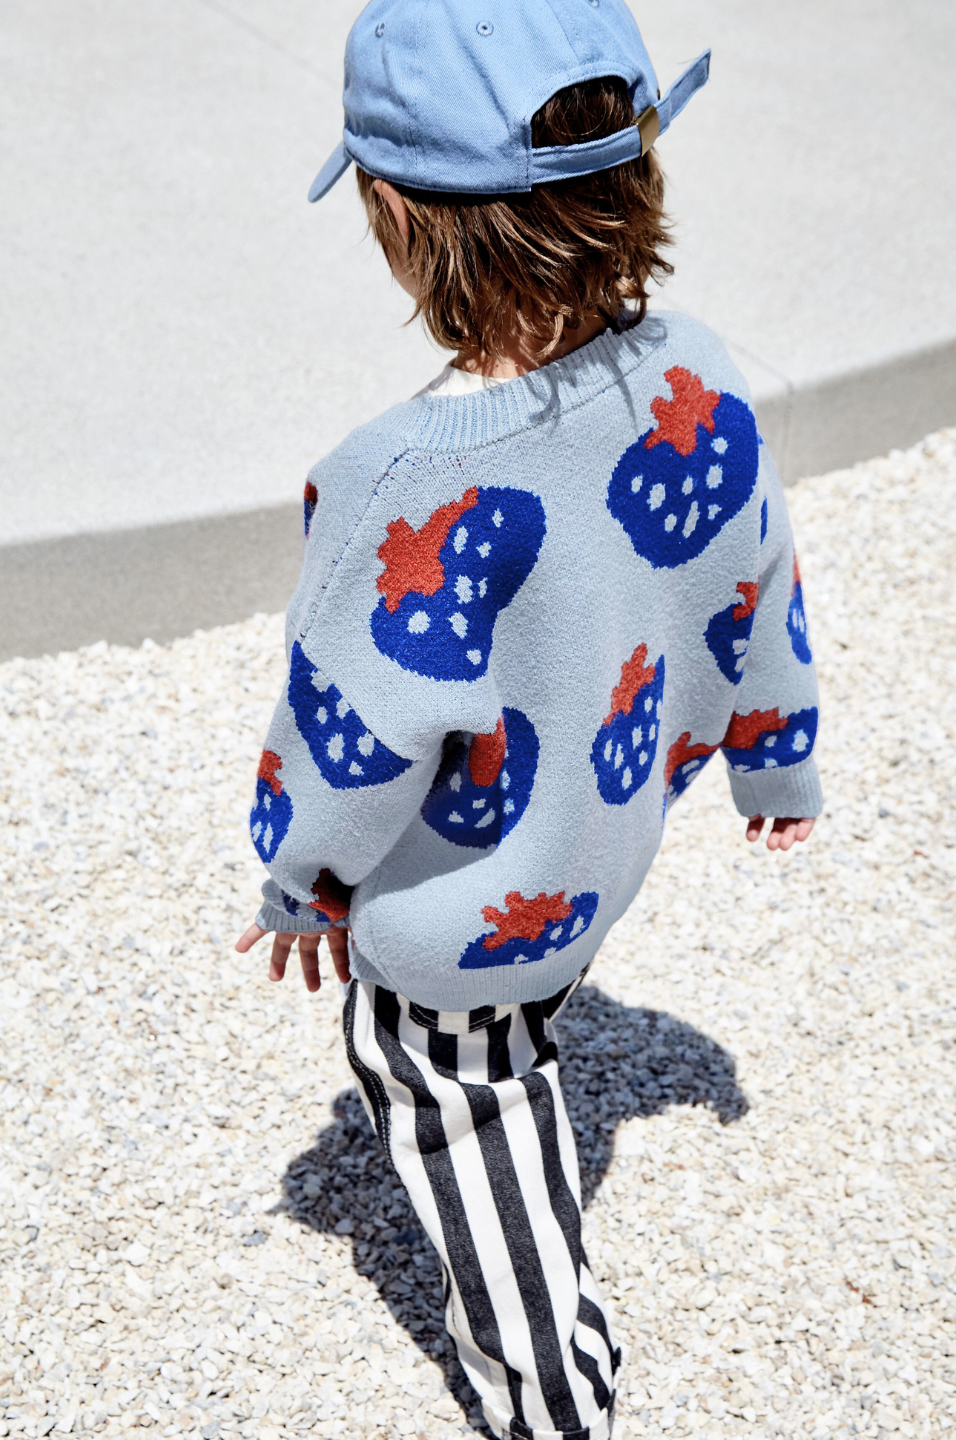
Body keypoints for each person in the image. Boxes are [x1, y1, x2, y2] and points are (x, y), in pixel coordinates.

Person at [237, 3, 821, 1435]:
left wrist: (302, 879)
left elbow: (350, 738)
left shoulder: (400, 487)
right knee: (524, 1023)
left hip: (469, 911)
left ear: (391, 214)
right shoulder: (702, 373)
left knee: (451, 1087)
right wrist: (776, 758)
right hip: (601, 846)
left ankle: (550, 1383)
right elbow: (763, 573)